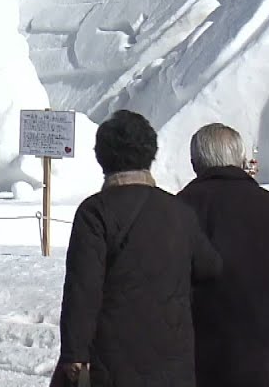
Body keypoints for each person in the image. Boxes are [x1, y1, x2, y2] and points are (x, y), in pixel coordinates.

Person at [53, 110, 222, 387]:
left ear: (102, 158)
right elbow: (210, 267)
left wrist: (75, 352)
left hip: (112, 361)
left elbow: (83, 288)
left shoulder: (95, 212)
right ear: (150, 154)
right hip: (173, 359)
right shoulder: (179, 211)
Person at [178, 123, 269, 387]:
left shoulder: (177, 209)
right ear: (241, 160)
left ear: (194, 163)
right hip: (263, 359)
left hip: (196, 360)